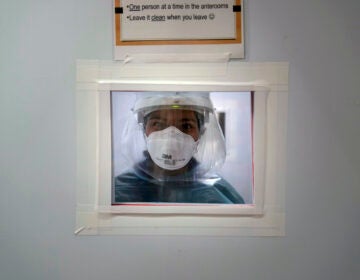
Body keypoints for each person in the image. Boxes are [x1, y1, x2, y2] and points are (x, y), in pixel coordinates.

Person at [113, 92, 244, 204]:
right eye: (157, 124)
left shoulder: (219, 196)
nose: (171, 136)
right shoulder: (118, 191)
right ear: (144, 131)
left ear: (200, 132)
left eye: (186, 126)